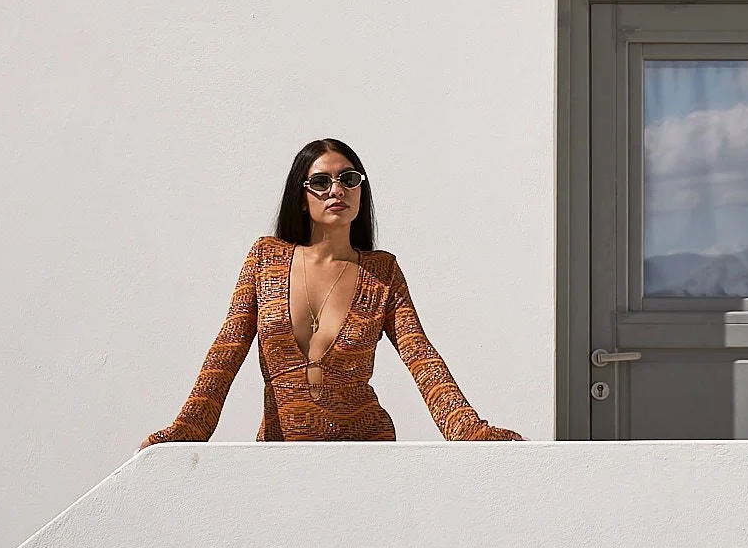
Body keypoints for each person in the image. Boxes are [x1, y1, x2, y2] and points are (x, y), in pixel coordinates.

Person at [142, 137, 521, 444]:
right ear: (301, 197)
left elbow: (421, 356)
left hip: (367, 457)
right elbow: (227, 349)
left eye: (348, 179)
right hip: (280, 457)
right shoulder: (265, 259)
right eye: (321, 182)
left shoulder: (381, 272)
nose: (336, 190)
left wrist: (468, 430)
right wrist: (190, 429)